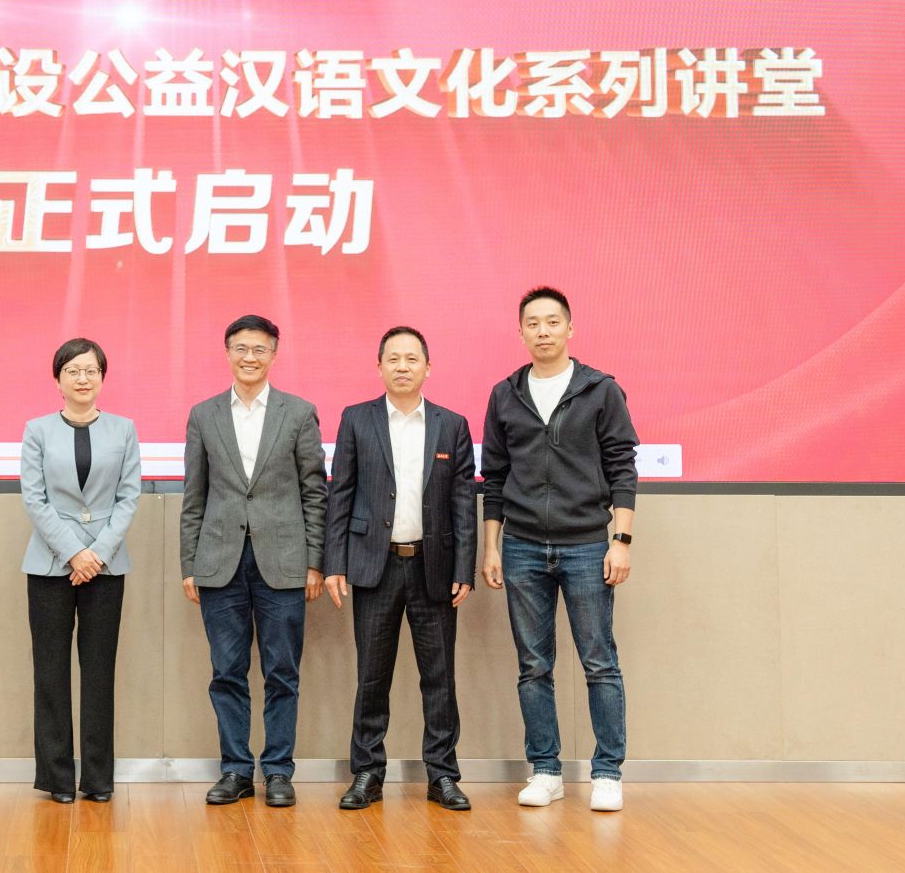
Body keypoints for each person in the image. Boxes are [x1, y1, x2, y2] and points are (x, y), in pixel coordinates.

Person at [480, 287, 639, 813]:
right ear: (521, 332)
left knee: (599, 661)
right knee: (533, 665)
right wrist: (492, 547)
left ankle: (608, 773)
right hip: (522, 547)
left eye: (552, 322)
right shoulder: (505, 394)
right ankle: (545, 770)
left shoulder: (600, 389)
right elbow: (494, 478)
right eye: (533, 323)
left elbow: (622, 468)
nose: (543, 331)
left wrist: (620, 541)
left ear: (570, 328)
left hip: (587, 545)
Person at [322, 326, 478, 812]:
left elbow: (463, 502)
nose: (403, 366)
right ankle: (367, 773)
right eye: (394, 358)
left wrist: (465, 567)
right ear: (380, 367)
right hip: (375, 566)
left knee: (440, 678)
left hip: (435, 568)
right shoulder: (357, 419)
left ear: (428, 367)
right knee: (371, 677)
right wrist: (334, 563)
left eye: (412, 358)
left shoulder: (452, 425)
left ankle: (443, 775)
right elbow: (340, 493)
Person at [179, 314, 328, 808]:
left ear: (273, 354)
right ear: (227, 353)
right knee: (227, 671)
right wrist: (189, 563)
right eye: (241, 348)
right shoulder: (203, 415)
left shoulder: (299, 413)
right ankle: (236, 770)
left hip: (283, 563)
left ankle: (279, 771)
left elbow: (314, 493)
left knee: (283, 672)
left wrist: (314, 562)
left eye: (259, 349)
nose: (250, 357)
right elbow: (194, 495)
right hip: (218, 561)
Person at [20, 338, 143, 804]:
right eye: (72, 370)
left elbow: (129, 497)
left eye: (91, 370)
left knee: (99, 674)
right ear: (58, 380)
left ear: (102, 377)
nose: (82, 378)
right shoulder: (36, 430)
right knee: (50, 675)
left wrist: (98, 553)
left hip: (106, 568)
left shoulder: (124, 429)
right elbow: (35, 499)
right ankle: (56, 778)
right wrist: (75, 553)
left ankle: (97, 778)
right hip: (50, 566)